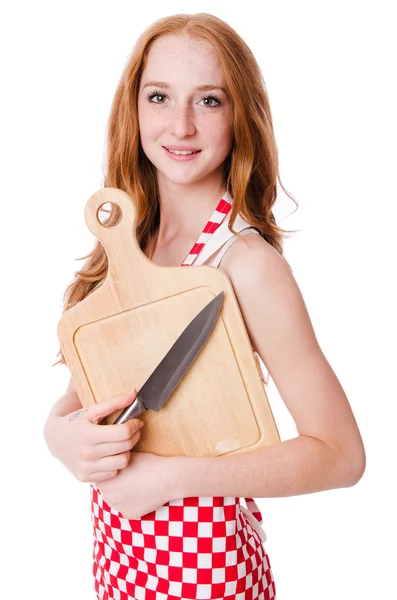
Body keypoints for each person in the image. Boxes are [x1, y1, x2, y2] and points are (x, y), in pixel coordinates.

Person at [43, 12, 366, 600]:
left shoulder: (246, 265)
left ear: (240, 114)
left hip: (209, 577)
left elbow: (340, 455)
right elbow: (87, 401)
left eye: (209, 101)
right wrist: (59, 436)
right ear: (133, 110)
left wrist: (173, 480)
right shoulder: (130, 246)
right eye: (160, 96)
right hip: (121, 566)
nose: (181, 125)